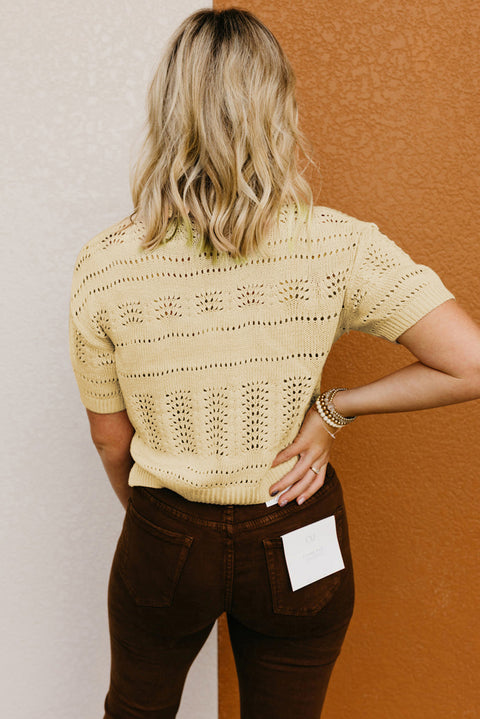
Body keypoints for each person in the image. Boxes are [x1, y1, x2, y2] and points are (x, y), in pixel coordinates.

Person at [68, 8, 480, 719]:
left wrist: (163, 528)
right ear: (279, 108)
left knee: (135, 710)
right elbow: (469, 363)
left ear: (168, 111)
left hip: (167, 530)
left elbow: (111, 441)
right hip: (295, 524)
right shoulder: (339, 245)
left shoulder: (105, 265)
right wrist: (333, 409)